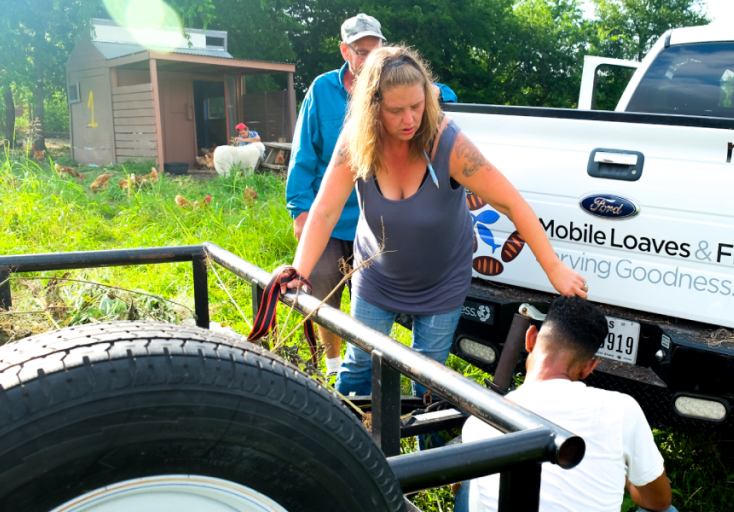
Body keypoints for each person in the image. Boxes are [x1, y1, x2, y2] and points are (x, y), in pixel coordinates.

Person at [283, 45, 587, 400]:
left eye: (416, 105)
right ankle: (349, 445)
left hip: (442, 281)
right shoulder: (357, 140)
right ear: (372, 109)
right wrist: (298, 272)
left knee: (428, 382)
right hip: (377, 275)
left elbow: (511, 202)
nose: (410, 119)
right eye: (396, 110)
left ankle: (430, 452)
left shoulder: (447, 141)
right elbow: (324, 212)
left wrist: (554, 268)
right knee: (357, 368)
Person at [285, 13, 457, 378]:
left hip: (378, 221)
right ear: (345, 51)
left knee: (366, 311)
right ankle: (334, 369)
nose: (367, 58)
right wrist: (300, 209)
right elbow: (303, 153)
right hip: (331, 216)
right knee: (325, 299)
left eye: (374, 50)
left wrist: (429, 94)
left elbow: (437, 97)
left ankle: (370, 379)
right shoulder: (322, 89)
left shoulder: (394, 88)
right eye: (360, 51)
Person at [457, 296, 676, 512]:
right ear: (589, 367)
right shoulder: (621, 410)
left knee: (467, 484)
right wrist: (628, 480)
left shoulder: (479, 423)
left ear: (530, 338)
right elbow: (659, 502)